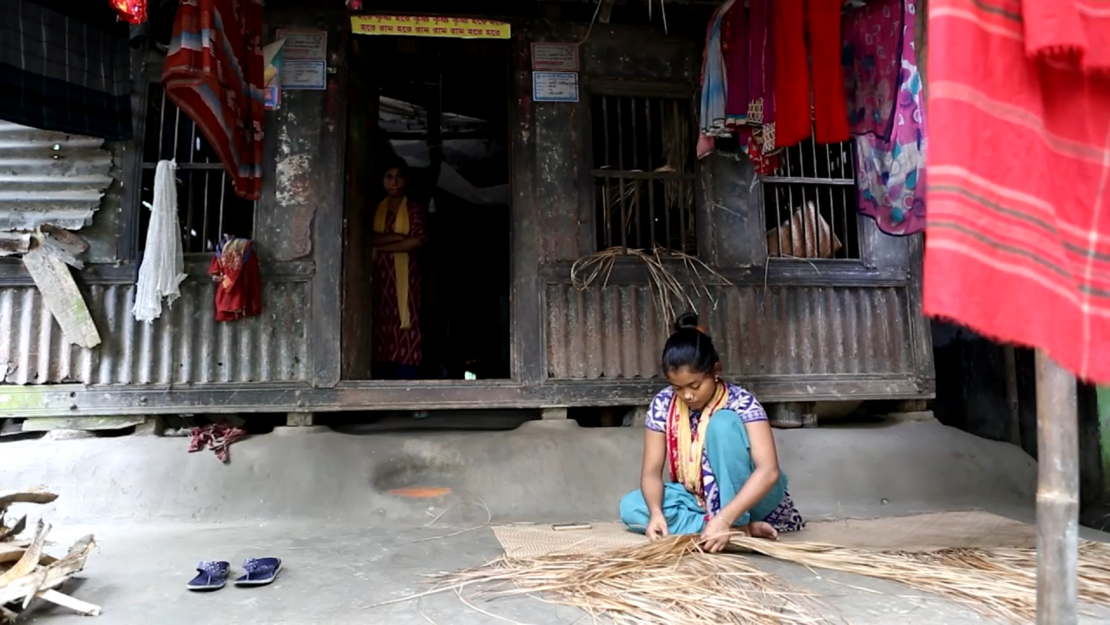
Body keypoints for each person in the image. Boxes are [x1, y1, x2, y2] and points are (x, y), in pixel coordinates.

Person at [619, 312, 805, 552]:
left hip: (752, 496)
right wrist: (656, 513)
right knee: (632, 507)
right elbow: (651, 473)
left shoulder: (740, 402)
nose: (687, 395)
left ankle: (733, 522)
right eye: (678, 388)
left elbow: (768, 472)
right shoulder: (663, 404)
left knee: (723, 423)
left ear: (715, 370)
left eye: (695, 386)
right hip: (699, 498)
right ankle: (741, 530)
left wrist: (726, 517)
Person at [371, 159, 427, 380]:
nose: (393, 182)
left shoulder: (414, 209)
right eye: (388, 177)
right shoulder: (374, 208)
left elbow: (417, 241)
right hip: (377, 280)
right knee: (379, 329)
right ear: (383, 181)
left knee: (407, 328)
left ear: (407, 180)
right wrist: (397, 238)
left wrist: (378, 245)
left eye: (398, 177)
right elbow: (366, 238)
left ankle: (408, 392)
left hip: (406, 283)